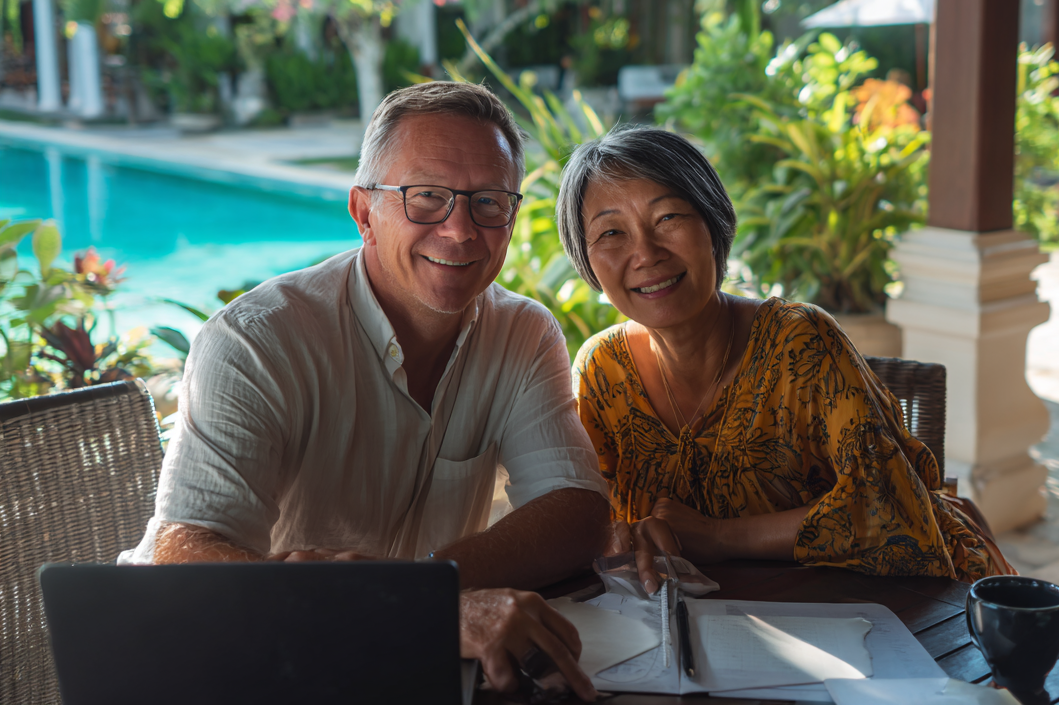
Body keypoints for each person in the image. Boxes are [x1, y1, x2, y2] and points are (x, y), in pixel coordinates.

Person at [124, 82, 610, 699]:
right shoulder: (257, 340)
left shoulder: (522, 332)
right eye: (426, 197)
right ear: (363, 213)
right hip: (248, 664)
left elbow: (577, 511)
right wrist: (412, 604)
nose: (460, 230)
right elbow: (183, 553)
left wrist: (417, 590)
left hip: (412, 669)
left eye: (489, 201)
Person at [556, 126, 1011, 595]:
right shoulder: (602, 371)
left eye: (668, 217)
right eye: (611, 233)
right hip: (706, 619)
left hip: (903, 606)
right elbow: (590, 520)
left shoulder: (800, 341)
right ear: (587, 262)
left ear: (713, 224)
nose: (646, 254)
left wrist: (717, 536)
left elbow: (889, 511)